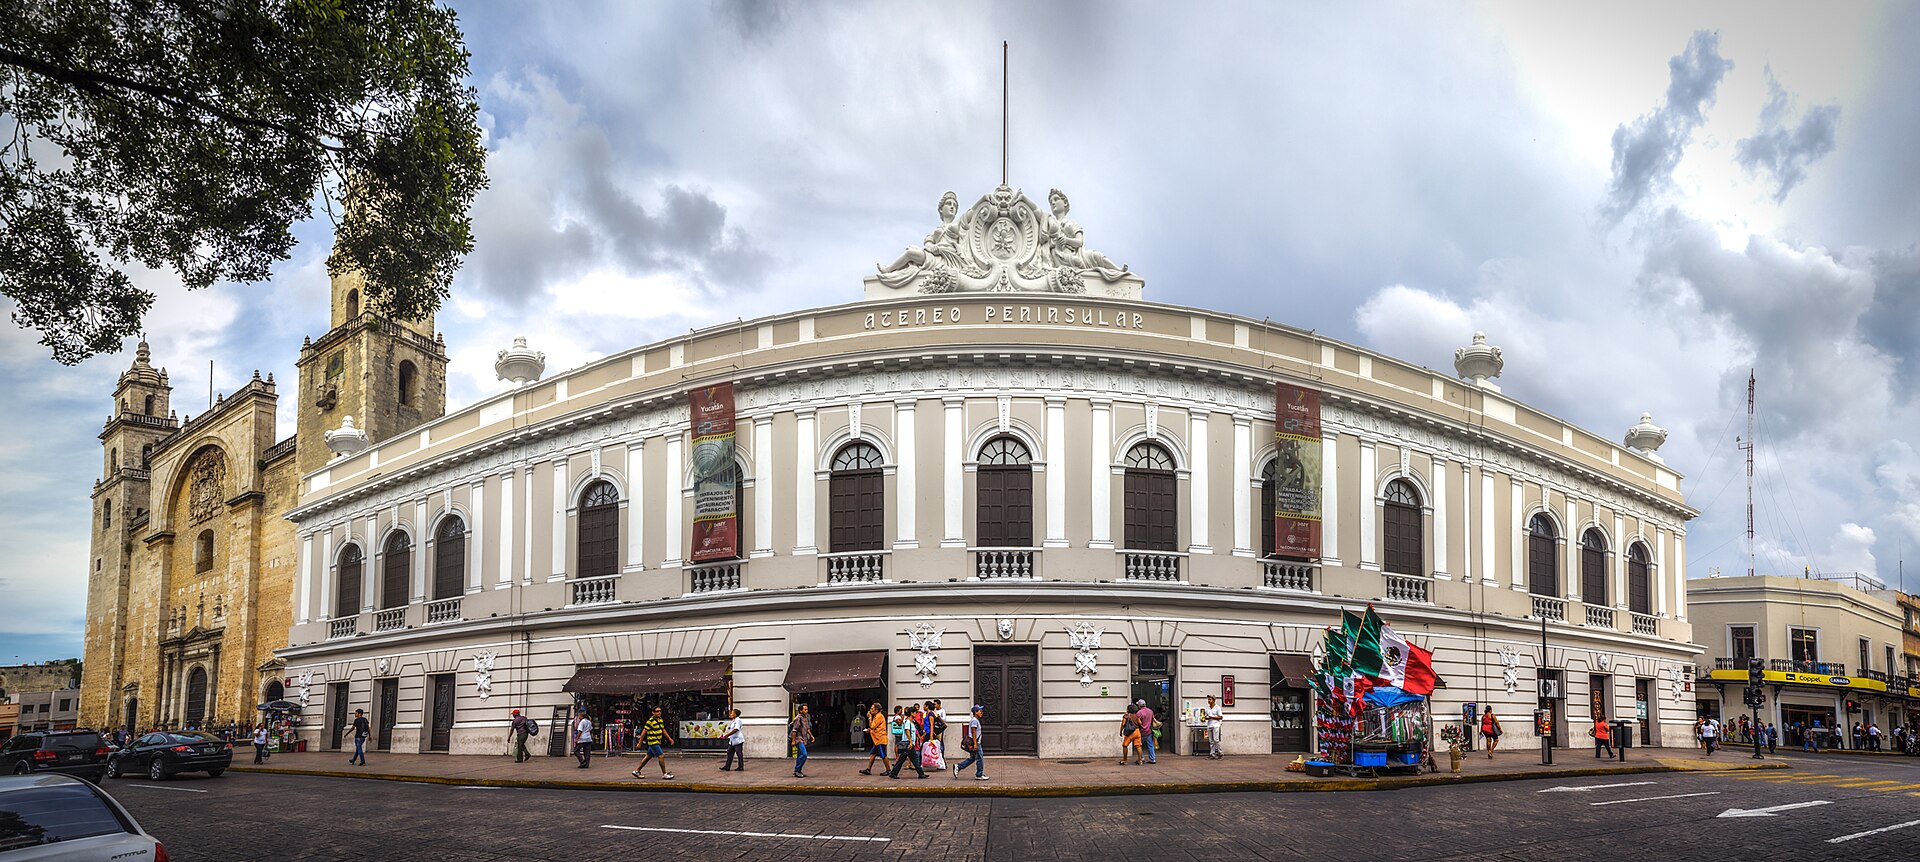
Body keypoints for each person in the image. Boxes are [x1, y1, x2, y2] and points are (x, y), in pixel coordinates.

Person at [629, 706, 674, 779]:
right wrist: (639, 743)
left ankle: (637, 771)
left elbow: (663, 730)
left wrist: (669, 738)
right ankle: (664, 774)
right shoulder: (650, 721)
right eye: (657, 711)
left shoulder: (660, 720)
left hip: (657, 741)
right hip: (653, 742)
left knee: (648, 757)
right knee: (661, 756)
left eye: (660, 711)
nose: (659, 712)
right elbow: (643, 733)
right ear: (653, 712)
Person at [888, 705, 928, 779]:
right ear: (911, 713)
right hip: (908, 744)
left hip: (909, 744)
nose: (916, 714)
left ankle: (894, 773)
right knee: (914, 759)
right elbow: (907, 731)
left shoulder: (911, 722)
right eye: (915, 712)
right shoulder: (908, 722)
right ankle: (921, 774)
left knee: (906, 759)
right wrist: (910, 742)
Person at [951, 704, 989, 780]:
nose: (981, 712)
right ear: (975, 712)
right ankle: (979, 774)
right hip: (976, 743)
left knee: (973, 758)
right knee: (980, 758)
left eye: (981, 710)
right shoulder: (974, 720)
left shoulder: (974, 720)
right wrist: (975, 744)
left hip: (975, 742)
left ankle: (958, 766)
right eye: (979, 711)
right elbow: (974, 732)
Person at [861, 703, 888, 776]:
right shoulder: (877, 716)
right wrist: (869, 730)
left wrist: (869, 718)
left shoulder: (878, 716)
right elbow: (875, 727)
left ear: (876, 710)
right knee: (872, 754)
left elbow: (872, 726)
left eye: (872, 709)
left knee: (883, 755)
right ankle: (868, 769)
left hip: (880, 739)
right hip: (877, 740)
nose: (870, 710)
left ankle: (888, 770)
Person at [789, 704, 814, 778]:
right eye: (805, 709)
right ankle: (797, 770)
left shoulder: (805, 717)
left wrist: (811, 736)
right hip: (798, 739)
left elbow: (807, 728)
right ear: (800, 710)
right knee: (804, 754)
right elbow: (794, 730)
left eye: (807, 709)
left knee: (800, 755)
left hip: (803, 738)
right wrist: (793, 741)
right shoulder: (798, 718)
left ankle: (798, 771)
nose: (806, 711)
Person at [1135, 699, 1158, 764]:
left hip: (1141, 732)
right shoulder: (1150, 711)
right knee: (1150, 745)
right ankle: (1152, 759)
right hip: (1149, 731)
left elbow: (1137, 722)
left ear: (1139, 705)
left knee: (1139, 745)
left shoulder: (1139, 713)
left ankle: (1141, 758)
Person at [1204, 694, 1224, 760]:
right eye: (1208, 699)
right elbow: (1206, 716)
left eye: (1210, 699)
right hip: (1209, 725)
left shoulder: (1217, 708)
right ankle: (1212, 754)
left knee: (1216, 740)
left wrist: (1212, 717)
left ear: (1214, 700)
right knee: (1211, 741)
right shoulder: (1207, 708)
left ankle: (1220, 753)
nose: (1208, 701)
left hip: (1216, 725)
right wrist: (1205, 718)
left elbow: (1220, 717)